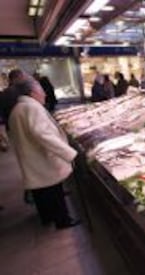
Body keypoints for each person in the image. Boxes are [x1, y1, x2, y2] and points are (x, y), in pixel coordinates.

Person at [7, 79, 79, 229]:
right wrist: (69, 153)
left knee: (41, 191)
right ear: (33, 93)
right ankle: (63, 221)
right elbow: (43, 135)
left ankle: (47, 217)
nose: (45, 94)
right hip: (42, 158)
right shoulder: (32, 108)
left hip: (31, 158)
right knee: (54, 190)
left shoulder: (18, 108)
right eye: (41, 90)